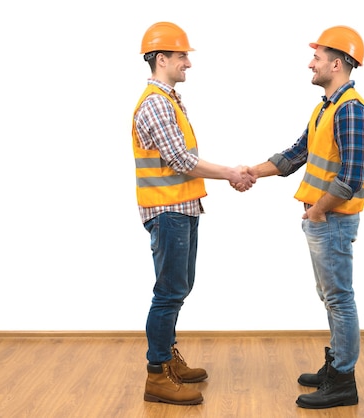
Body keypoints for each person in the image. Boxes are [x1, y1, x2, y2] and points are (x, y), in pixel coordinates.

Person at [243, 25, 364, 409]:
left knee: (339, 299)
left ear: (336, 64)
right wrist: (251, 170)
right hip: (322, 221)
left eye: (316, 58)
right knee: (330, 296)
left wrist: (317, 211)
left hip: (331, 220)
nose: (310, 64)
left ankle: (343, 381)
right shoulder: (327, 108)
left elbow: (351, 177)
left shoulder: (350, 111)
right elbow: (294, 155)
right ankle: (336, 364)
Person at [132, 21, 255, 405]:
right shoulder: (155, 103)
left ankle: (168, 358)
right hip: (168, 211)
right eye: (182, 55)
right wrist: (231, 173)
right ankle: (157, 375)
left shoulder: (169, 100)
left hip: (181, 209)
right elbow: (181, 160)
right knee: (168, 293)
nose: (188, 62)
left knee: (178, 289)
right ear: (162, 58)